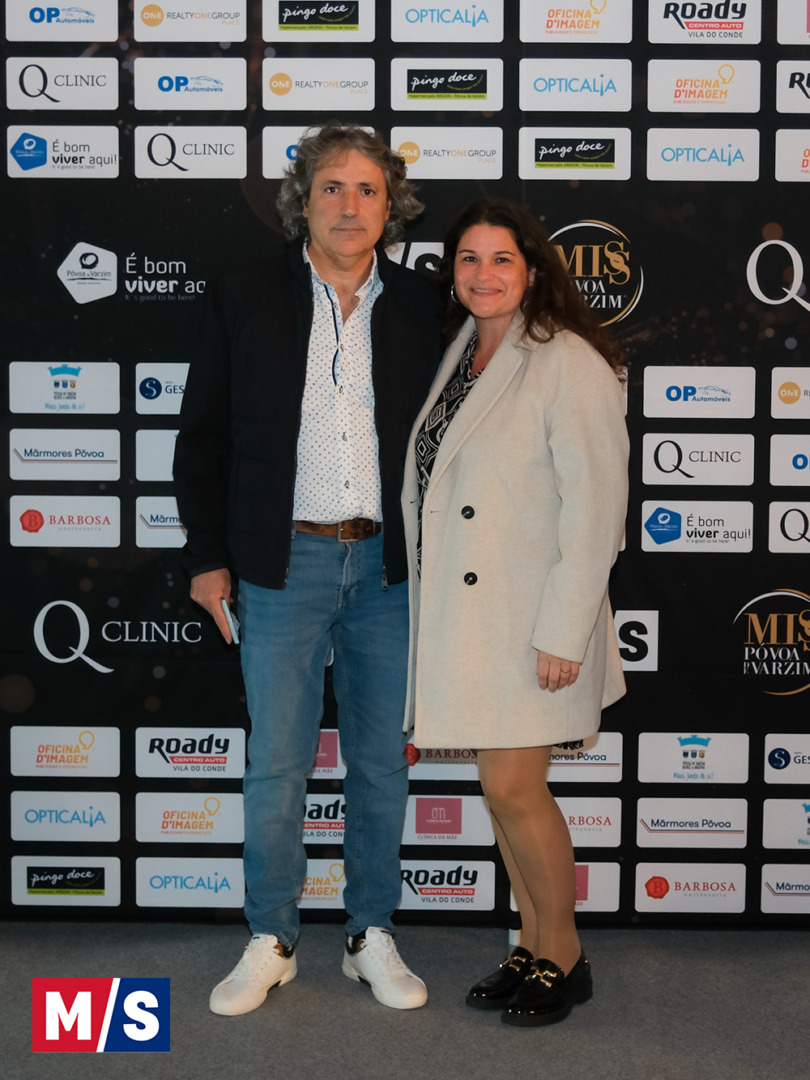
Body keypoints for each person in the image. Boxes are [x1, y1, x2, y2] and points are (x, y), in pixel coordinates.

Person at [173, 122, 441, 1015]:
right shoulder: (245, 293)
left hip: (389, 570)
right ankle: (273, 937)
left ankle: (371, 934)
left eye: (368, 190)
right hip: (280, 564)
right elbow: (202, 436)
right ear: (303, 201)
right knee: (277, 765)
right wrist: (207, 558)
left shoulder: (425, 303)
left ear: (391, 208)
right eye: (333, 187)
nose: (349, 206)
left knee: (380, 764)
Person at [401, 198, 629, 1027]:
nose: (483, 274)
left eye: (501, 259)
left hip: (535, 624)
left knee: (514, 787)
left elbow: (596, 512)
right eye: (468, 258)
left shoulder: (568, 359)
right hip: (474, 624)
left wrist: (564, 632)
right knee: (500, 795)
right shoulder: (463, 350)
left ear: (533, 270)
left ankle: (564, 955)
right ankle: (531, 946)